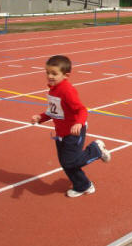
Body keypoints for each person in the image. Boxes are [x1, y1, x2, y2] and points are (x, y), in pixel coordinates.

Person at [30, 55, 111, 198]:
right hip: (61, 133)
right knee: (66, 163)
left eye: (54, 73)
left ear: (65, 75)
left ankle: (96, 149)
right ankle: (83, 185)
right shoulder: (53, 90)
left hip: (74, 131)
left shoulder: (67, 90)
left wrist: (79, 123)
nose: (50, 76)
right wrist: (40, 118)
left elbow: (82, 110)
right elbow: (54, 111)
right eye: (47, 72)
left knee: (70, 161)